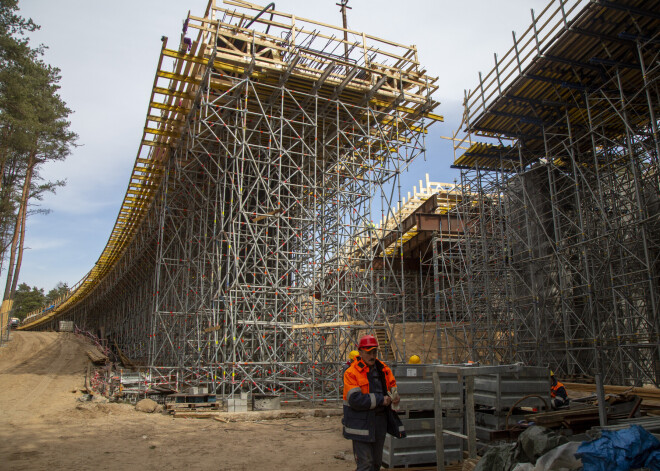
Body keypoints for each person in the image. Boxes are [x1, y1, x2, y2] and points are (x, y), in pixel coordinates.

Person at [343, 334, 405, 471]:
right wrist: (380, 400)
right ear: (360, 352)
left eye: (374, 352)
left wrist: (395, 397)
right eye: (368, 352)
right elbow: (355, 400)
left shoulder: (383, 369)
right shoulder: (351, 372)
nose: (372, 356)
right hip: (360, 424)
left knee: (376, 463)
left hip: (379, 422)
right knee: (365, 464)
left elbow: (392, 388)